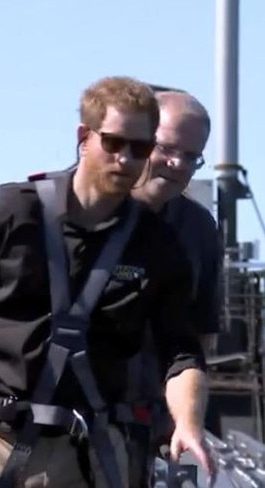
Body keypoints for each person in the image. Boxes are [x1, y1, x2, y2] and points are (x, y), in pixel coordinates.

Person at [0, 76, 211, 488]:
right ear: (84, 136)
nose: (127, 159)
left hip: (97, 451)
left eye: (140, 148)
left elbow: (181, 352)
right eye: (114, 143)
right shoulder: (13, 211)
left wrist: (188, 422)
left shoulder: (159, 244)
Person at [125, 90, 221, 486]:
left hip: (152, 426)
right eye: (167, 148)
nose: (178, 164)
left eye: (191, 157)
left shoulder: (198, 229)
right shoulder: (65, 208)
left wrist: (184, 417)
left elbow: (198, 337)